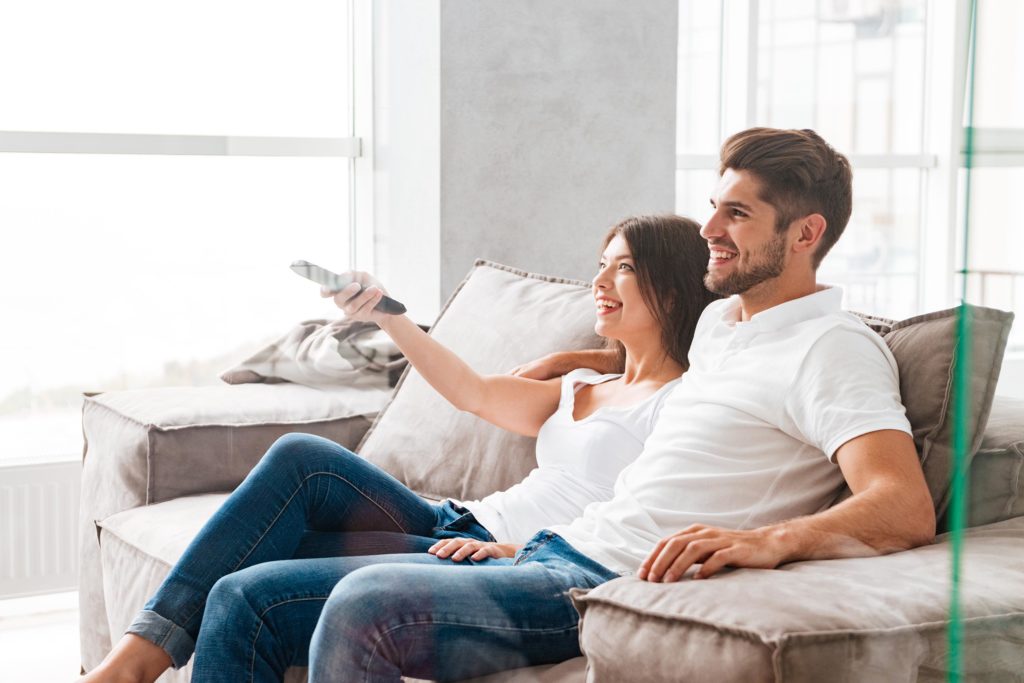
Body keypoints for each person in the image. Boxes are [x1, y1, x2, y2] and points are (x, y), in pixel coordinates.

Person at [299, 128, 936, 682]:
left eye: (736, 214)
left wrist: (772, 541)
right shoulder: (722, 324)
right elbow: (664, 380)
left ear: (806, 233)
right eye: (713, 207)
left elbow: (903, 504)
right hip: (561, 551)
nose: (709, 231)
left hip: (604, 580)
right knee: (261, 598)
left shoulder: (834, 348)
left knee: (366, 603)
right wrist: (582, 365)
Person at [79, 214, 720, 683]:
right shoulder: (581, 385)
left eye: (625, 266)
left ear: (672, 287)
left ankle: (133, 663)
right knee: (301, 459)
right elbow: (468, 390)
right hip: (452, 521)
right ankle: (136, 656)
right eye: (601, 262)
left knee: (245, 591)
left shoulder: (685, 404)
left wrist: (515, 548)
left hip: (504, 557)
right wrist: (388, 314)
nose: (600, 280)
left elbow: (642, 519)